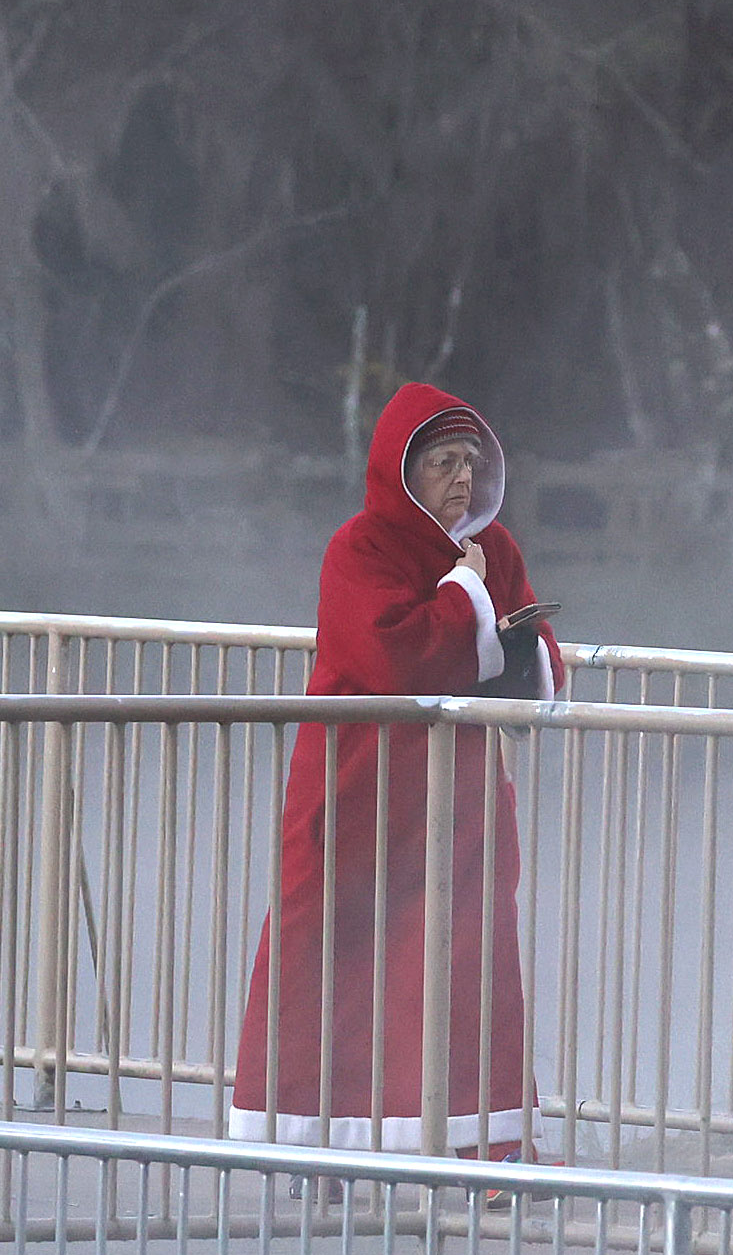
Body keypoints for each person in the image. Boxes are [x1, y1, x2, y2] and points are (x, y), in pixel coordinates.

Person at [228, 382, 562, 1159]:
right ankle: (320, 1142)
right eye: (443, 462)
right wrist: (466, 598)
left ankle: (489, 1145)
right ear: (401, 473)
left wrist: (483, 623)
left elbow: (534, 656)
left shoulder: (495, 550)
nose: (461, 481)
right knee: (334, 961)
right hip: (358, 793)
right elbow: (395, 658)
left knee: (467, 960)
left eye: (470, 463)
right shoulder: (359, 550)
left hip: (460, 798)